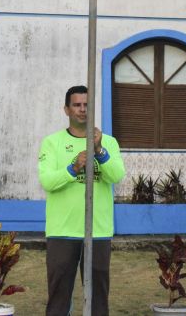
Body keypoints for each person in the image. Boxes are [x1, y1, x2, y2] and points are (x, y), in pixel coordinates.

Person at [38, 85, 126, 316]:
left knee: (98, 297)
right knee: (58, 297)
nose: (82, 110)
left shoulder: (109, 142)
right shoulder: (52, 143)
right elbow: (47, 181)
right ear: (66, 110)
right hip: (62, 231)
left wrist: (99, 151)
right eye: (76, 105)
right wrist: (73, 167)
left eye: (87, 105)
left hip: (97, 231)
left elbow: (116, 176)